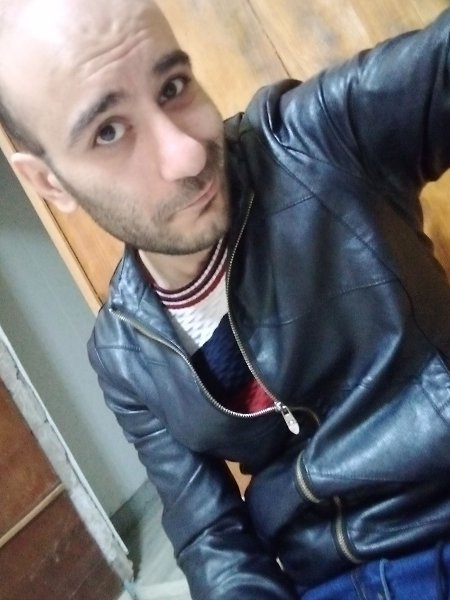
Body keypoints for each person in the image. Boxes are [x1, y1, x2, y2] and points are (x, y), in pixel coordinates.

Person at [1, 0, 449, 597]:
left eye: (173, 86)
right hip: (330, 578)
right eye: (108, 131)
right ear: (49, 181)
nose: (187, 153)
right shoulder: (122, 354)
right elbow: (208, 531)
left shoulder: (313, 141)